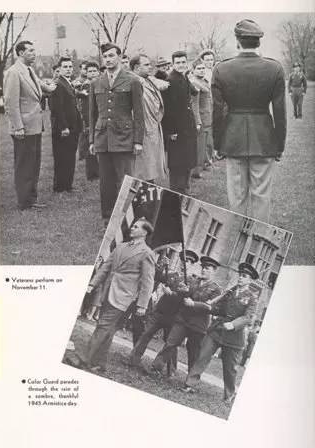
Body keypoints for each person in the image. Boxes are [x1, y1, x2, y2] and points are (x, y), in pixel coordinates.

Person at [212, 19, 287, 223]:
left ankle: (237, 242)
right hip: (264, 140)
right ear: (258, 43)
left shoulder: (221, 69)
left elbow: (217, 113)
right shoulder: (275, 68)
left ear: (238, 41)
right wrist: (279, 145)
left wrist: (217, 144)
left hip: (232, 140)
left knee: (236, 197)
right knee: (262, 196)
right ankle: (259, 243)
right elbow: (280, 113)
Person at [75, 218, 155, 373]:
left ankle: (83, 358)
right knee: (109, 329)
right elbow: (106, 267)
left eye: (136, 227)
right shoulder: (121, 246)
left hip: (123, 296)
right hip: (107, 291)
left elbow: (147, 281)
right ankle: (100, 363)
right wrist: (93, 284)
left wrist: (142, 305)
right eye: (133, 225)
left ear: (144, 233)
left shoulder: (147, 253)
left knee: (103, 325)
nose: (132, 228)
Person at [182, 262, 259, 404]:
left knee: (230, 369)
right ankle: (189, 384)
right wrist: (208, 307)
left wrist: (234, 324)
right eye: (240, 275)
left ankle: (229, 394)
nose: (240, 278)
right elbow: (219, 309)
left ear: (250, 280)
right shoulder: (230, 292)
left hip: (234, 337)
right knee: (202, 356)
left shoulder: (252, 298)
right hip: (218, 331)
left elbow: (248, 317)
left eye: (244, 276)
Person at [89, 42, 145, 223]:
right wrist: (92, 140)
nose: (108, 60)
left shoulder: (132, 81)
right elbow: (92, 114)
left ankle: (128, 217)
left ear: (120, 57)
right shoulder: (96, 82)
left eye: (112, 56)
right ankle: (108, 219)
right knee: (106, 182)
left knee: (126, 181)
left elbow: (138, 113)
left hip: (124, 138)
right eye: (105, 57)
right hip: (102, 138)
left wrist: (138, 140)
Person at [4, 40, 56, 210]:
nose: (34, 53)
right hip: (23, 128)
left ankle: (31, 200)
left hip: (34, 125)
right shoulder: (13, 72)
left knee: (34, 164)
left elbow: (43, 87)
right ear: (20, 53)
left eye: (34, 50)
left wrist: (55, 84)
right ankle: (24, 202)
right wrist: (18, 126)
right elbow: (10, 103)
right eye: (30, 51)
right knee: (24, 165)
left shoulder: (29, 70)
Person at [152, 256, 222, 373]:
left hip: (198, 325)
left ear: (214, 271)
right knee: (170, 344)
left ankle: (190, 380)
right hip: (182, 319)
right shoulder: (193, 281)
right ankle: (156, 368)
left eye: (207, 268)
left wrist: (194, 304)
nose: (204, 270)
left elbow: (213, 308)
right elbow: (182, 296)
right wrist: (181, 291)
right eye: (203, 267)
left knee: (193, 352)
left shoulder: (216, 289)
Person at [162, 51, 198, 194]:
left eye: (183, 62)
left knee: (186, 162)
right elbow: (168, 109)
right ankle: (177, 193)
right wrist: (171, 132)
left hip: (187, 127)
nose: (181, 65)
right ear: (173, 64)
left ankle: (184, 191)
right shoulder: (171, 81)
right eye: (178, 63)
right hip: (177, 130)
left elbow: (191, 95)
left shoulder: (183, 78)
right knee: (177, 165)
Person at [130, 54, 167, 183]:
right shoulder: (134, 82)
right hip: (143, 129)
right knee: (143, 168)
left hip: (153, 126)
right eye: (146, 65)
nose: (150, 67)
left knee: (150, 167)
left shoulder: (147, 79)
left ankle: (149, 189)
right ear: (136, 67)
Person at [50, 57, 82, 193]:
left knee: (69, 156)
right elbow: (57, 108)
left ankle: (66, 185)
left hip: (72, 127)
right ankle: (60, 186)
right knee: (62, 157)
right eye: (65, 67)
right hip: (65, 128)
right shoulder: (59, 84)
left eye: (70, 67)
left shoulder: (68, 83)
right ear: (60, 69)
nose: (68, 69)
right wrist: (63, 127)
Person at [189, 58, 212, 178]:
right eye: (199, 68)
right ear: (193, 70)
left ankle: (202, 166)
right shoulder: (194, 82)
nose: (202, 70)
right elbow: (194, 104)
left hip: (207, 116)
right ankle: (196, 172)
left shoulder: (203, 81)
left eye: (203, 68)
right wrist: (197, 121)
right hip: (201, 118)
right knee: (199, 146)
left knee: (205, 145)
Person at [79, 62, 100, 181]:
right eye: (90, 71)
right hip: (90, 120)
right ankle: (92, 174)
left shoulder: (97, 83)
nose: (92, 73)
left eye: (94, 71)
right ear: (86, 73)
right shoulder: (87, 85)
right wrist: (87, 123)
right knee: (90, 147)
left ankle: (96, 171)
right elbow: (86, 107)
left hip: (97, 117)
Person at [199, 49, 216, 168]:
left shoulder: (214, 71)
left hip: (214, 105)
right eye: (207, 60)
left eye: (211, 59)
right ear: (202, 61)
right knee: (206, 135)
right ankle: (205, 160)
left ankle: (211, 157)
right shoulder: (201, 72)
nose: (209, 62)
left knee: (212, 134)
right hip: (205, 107)